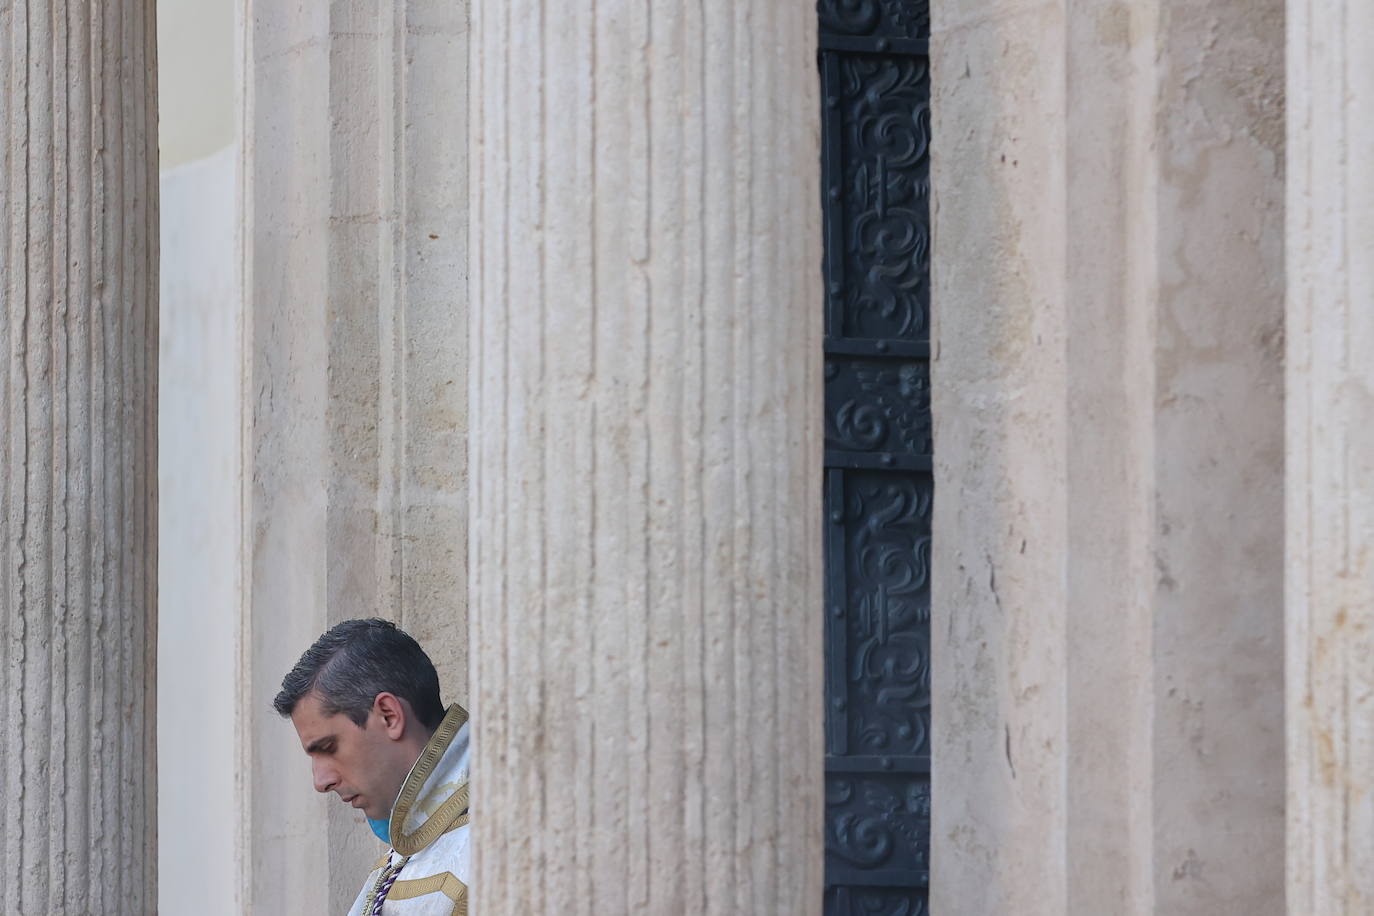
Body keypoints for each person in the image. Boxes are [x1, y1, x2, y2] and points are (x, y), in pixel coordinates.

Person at [274, 618, 470, 915]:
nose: (320, 781)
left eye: (328, 748)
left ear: (389, 715)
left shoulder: (505, 841)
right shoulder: (397, 863)